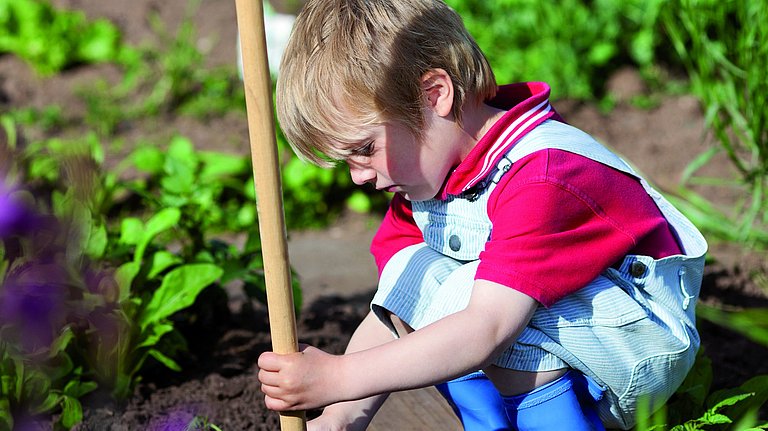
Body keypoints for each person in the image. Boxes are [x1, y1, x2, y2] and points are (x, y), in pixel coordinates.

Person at [257, 0, 708, 430]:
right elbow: (398, 303)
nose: (358, 176)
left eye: (364, 148)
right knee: (420, 276)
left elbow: (486, 329)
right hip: (575, 334)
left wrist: (339, 376)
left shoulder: (543, 176)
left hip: (639, 346)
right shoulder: (431, 180)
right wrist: (341, 415)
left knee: (479, 320)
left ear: (435, 95)